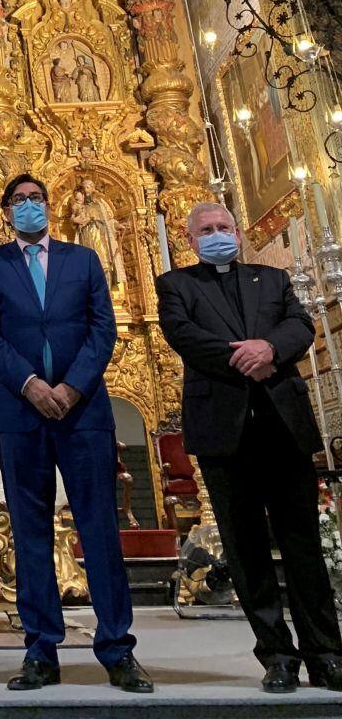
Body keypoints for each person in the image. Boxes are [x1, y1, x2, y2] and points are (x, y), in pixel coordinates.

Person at [0, 174, 152, 694]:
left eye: (37, 199)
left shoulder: (83, 260)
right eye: (19, 201)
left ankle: (117, 649)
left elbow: (103, 327)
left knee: (99, 529)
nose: (30, 207)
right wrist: (29, 384)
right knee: (30, 531)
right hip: (20, 411)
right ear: (6, 212)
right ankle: (40, 650)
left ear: (49, 206)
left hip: (83, 411)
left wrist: (71, 387)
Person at [156, 203, 342, 693]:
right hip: (223, 427)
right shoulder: (177, 286)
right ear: (190, 238)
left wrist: (272, 350)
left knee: (302, 546)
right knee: (246, 549)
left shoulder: (272, 279)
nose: (217, 235)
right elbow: (184, 336)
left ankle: (326, 653)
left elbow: (299, 325)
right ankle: (277, 656)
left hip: (283, 424)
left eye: (224, 228)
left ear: (237, 233)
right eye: (207, 230)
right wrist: (246, 356)